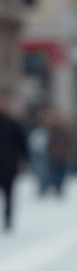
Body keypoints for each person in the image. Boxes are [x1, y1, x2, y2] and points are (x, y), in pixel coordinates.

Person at [0, 92, 29, 231]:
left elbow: (22, 143)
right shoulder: (13, 123)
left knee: (9, 193)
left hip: (8, 164)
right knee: (9, 194)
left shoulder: (13, 123)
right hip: (9, 164)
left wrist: (25, 157)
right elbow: (23, 144)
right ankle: (8, 218)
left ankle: (8, 218)